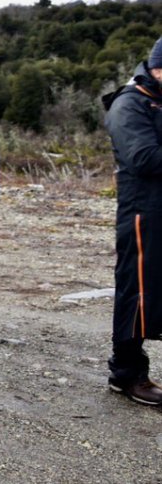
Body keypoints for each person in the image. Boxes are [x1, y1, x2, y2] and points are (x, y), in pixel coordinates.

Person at [102, 36, 162, 405]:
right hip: (144, 213)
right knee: (137, 290)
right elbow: (143, 157)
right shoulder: (129, 104)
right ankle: (127, 373)